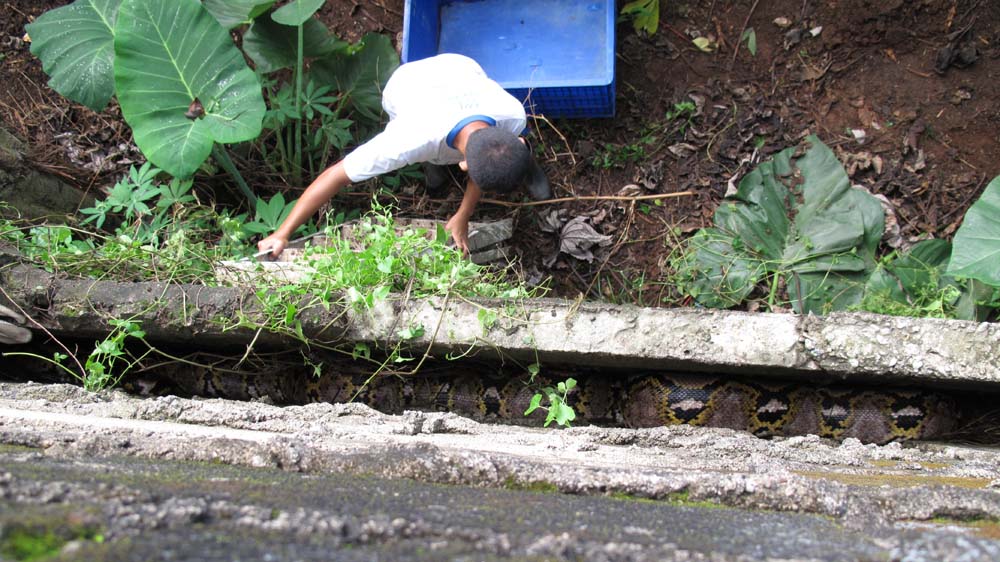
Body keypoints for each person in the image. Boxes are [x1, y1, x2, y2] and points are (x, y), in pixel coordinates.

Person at [257, 53, 550, 258]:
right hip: (405, 87)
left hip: (460, 68)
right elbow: (335, 176)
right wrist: (282, 233)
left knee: (501, 155)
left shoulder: (510, 113)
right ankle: (435, 164)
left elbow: (488, 154)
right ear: (464, 166)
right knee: (430, 152)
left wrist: (463, 215)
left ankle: (522, 164)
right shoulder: (407, 139)